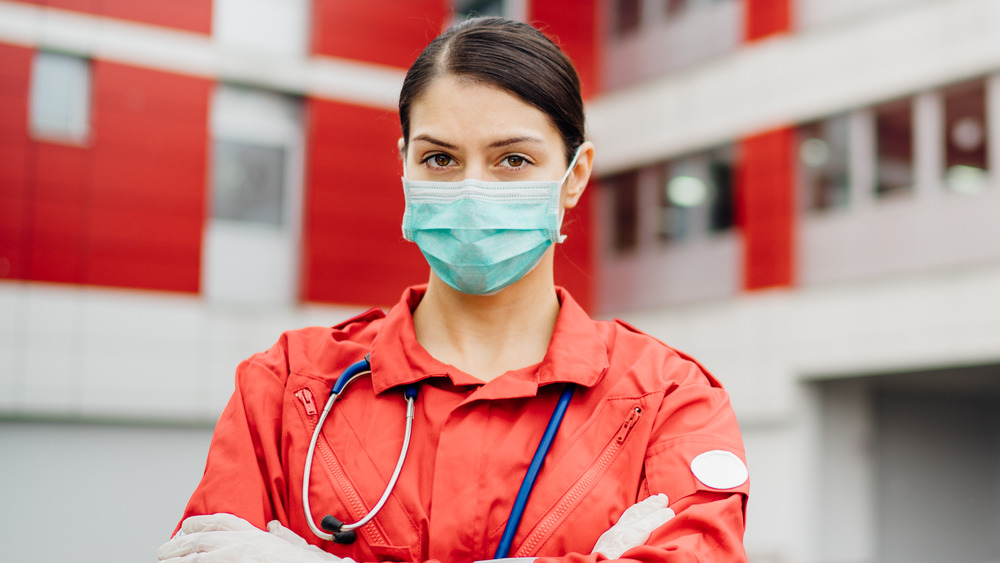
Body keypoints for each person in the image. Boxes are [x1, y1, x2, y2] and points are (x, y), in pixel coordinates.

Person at [159, 16, 749, 563]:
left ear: (575, 176)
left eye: (513, 160)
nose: (471, 189)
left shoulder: (669, 400)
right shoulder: (284, 387)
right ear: (405, 167)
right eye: (440, 158)